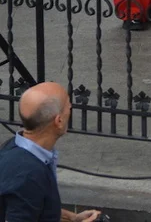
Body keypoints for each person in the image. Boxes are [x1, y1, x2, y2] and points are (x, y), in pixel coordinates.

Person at [0, 82, 102, 222]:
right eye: (68, 106)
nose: (70, 109)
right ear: (58, 121)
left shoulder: (15, 146)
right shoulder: (28, 175)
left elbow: (35, 205)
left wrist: (72, 217)